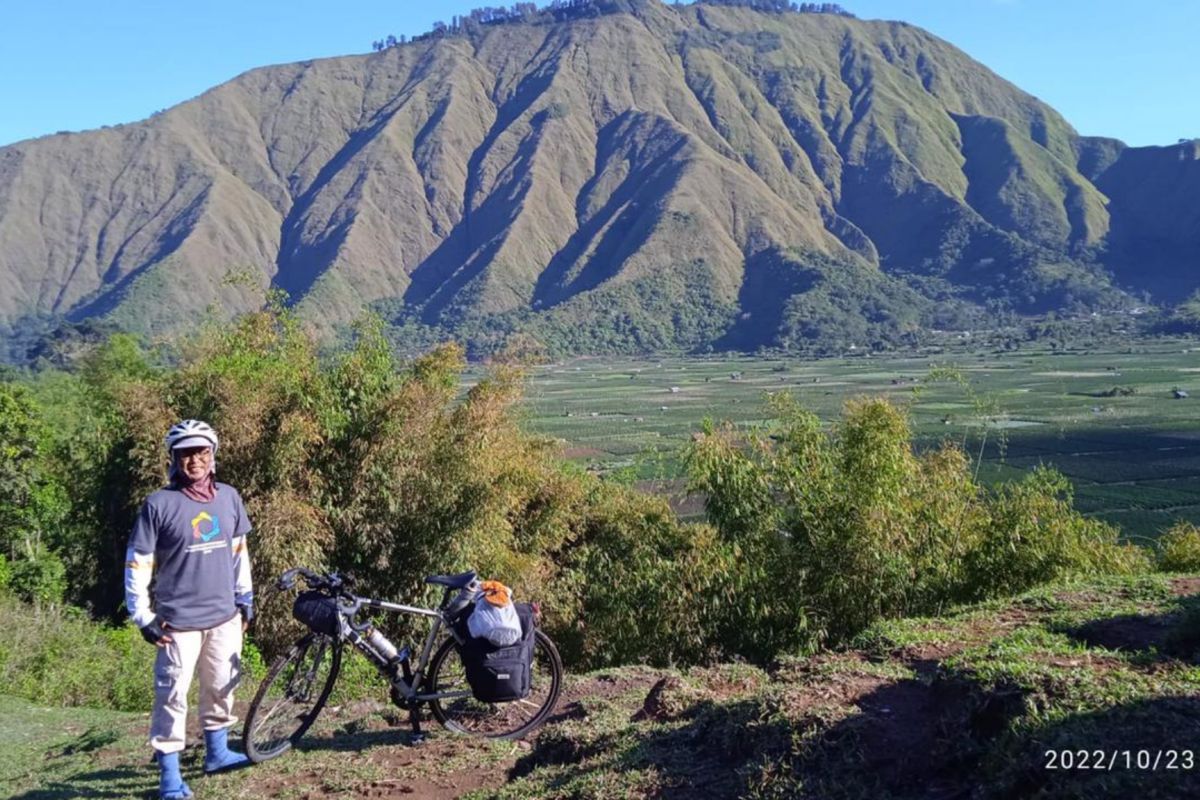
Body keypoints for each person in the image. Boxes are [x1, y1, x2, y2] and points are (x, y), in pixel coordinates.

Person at [125, 419, 254, 799]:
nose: (194, 459)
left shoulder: (229, 497)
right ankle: (169, 778)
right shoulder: (158, 504)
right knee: (172, 697)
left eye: (201, 451)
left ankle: (217, 754)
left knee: (220, 687)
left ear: (213, 456)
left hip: (224, 616)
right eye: (185, 453)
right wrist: (143, 616)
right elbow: (138, 562)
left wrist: (245, 599)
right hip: (176, 623)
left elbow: (238, 553)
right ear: (173, 458)